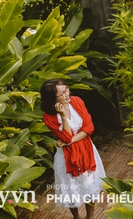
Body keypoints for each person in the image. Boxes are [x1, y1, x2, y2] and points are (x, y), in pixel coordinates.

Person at [40, 79, 106, 219]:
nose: (67, 94)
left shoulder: (77, 101)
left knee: (90, 185)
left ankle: (91, 216)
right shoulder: (49, 117)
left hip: (87, 151)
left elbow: (89, 128)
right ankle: (76, 217)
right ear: (53, 99)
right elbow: (66, 136)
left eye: (67, 89)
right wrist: (64, 117)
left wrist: (69, 141)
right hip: (66, 157)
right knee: (70, 189)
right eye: (62, 93)